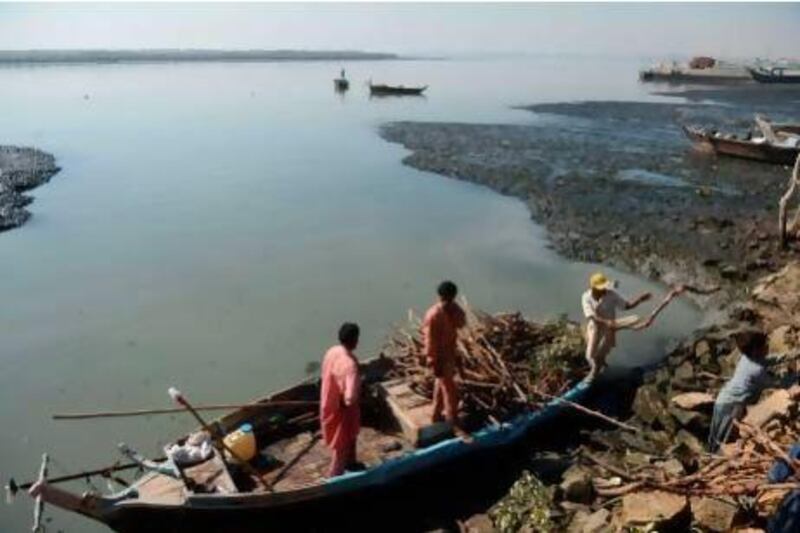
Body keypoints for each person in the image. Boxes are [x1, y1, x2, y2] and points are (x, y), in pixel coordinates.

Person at [708, 329, 772, 453]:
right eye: (765, 345)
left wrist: (789, 355)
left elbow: (769, 360)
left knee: (716, 435)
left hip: (723, 399)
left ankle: (711, 454)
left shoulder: (746, 358)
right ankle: (715, 459)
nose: (768, 346)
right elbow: (775, 383)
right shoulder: (757, 370)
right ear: (756, 350)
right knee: (722, 439)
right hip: (730, 405)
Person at [581, 272, 652, 382]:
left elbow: (626, 306)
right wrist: (606, 321)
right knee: (589, 355)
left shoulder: (611, 295)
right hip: (594, 327)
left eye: (604, 287)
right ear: (593, 288)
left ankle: (594, 373)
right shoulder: (586, 297)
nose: (604, 289)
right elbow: (591, 316)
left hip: (608, 330)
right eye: (601, 288)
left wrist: (640, 299)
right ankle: (600, 364)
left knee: (601, 353)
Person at [320, 322, 362, 477]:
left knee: (350, 437)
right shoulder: (350, 365)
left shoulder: (332, 351)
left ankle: (352, 463)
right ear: (354, 340)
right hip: (342, 411)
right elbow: (350, 398)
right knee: (341, 446)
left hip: (328, 403)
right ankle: (335, 476)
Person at [422, 280, 467, 425]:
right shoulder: (434, 315)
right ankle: (452, 419)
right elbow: (429, 341)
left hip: (449, 353)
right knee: (449, 389)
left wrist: (454, 309)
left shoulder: (453, 311)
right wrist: (432, 360)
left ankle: (435, 416)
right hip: (439, 357)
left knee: (440, 385)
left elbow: (461, 323)